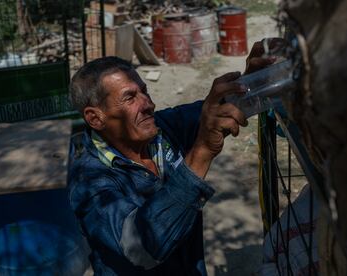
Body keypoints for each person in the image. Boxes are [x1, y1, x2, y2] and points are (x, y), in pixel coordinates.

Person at [67, 41, 275, 275]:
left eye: (144, 91)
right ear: (95, 118)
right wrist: (202, 151)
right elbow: (142, 249)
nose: (148, 104)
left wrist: (251, 83)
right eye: (130, 98)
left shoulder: (162, 129)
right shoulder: (89, 181)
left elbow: (222, 110)